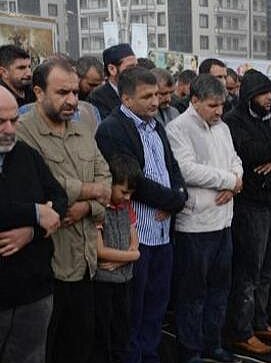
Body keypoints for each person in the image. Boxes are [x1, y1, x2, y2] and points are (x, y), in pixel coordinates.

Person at [16, 58, 112, 363]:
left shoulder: (83, 127)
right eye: (62, 93)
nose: (72, 100)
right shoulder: (22, 133)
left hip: (85, 261)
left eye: (75, 92)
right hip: (48, 266)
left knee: (80, 345)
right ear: (39, 92)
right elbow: (45, 186)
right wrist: (91, 190)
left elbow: (106, 180)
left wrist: (86, 206)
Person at [95, 66, 187, 363]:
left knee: (156, 306)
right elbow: (133, 180)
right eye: (146, 96)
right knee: (133, 309)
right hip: (137, 234)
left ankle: (150, 355)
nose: (154, 102)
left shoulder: (156, 125)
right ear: (125, 98)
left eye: (157, 96)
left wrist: (179, 196)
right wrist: (173, 199)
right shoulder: (112, 129)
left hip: (163, 233)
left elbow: (172, 168)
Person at [166, 74, 243, 363]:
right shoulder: (178, 129)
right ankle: (191, 350)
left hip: (224, 221)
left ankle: (214, 344)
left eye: (222, 105)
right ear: (194, 101)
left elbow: (235, 159)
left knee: (220, 290)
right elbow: (187, 170)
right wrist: (229, 181)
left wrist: (236, 180)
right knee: (193, 294)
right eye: (213, 105)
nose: (219, 111)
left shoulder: (222, 127)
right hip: (195, 226)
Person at [224, 69, 271, 354]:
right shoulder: (234, 121)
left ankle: (260, 322)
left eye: (270, 94)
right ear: (251, 96)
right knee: (249, 273)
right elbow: (250, 152)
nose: (269, 99)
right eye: (264, 94)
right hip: (251, 208)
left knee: (268, 270)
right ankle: (242, 330)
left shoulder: (270, 121)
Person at [0, 85, 67, 363]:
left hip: (34, 290)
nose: (9, 129)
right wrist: (34, 212)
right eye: (0, 122)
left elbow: (58, 200)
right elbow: (42, 209)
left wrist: (33, 230)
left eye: (14, 120)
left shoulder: (25, 154)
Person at [92, 154, 142, 363]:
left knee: (122, 332)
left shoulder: (126, 208)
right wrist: (132, 256)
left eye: (131, 193)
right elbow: (100, 251)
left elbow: (135, 244)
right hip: (103, 283)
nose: (127, 197)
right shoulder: (100, 210)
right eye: (123, 192)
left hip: (124, 280)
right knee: (102, 334)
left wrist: (129, 257)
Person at [88, 43, 137, 119]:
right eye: (130, 68)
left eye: (136, 67)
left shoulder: (139, 91)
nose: (135, 72)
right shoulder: (98, 98)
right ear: (112, 69)